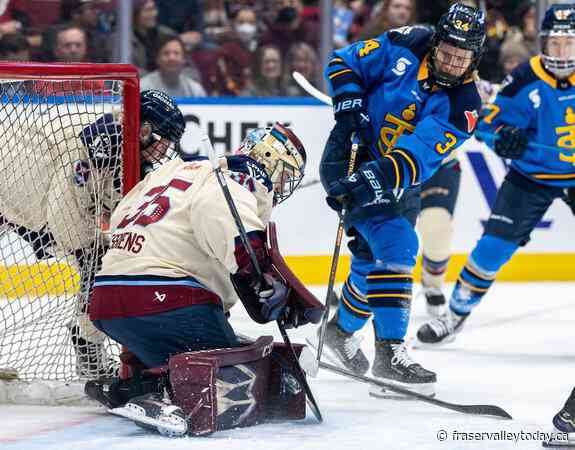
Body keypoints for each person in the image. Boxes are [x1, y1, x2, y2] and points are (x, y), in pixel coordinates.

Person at [86, 123, 318, 436]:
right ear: (270, 160)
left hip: (105, 301)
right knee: (230, 367)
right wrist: (260, 273)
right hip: (161, 298)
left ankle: (128, 382)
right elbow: (227, 225)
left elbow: (118, 217)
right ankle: (154, 394)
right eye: (285, 175)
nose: (283, 184)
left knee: (205, 333)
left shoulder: (174, 172)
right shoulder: (233, 185)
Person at [319, 3, 484, 396]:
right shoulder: (409, 41)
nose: (450, 62)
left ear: (475, 58)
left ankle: (339, 332)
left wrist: (371, 180)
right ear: (437, 40)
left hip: (396, 180)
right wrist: (350, 106)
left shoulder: (465, 108)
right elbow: (343, 62)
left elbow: (416, 156)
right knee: (399, 244)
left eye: (461, 58)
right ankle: (388, 354)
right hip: (350, 155)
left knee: (369, 261)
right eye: (445, 51)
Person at [416, 4, 575, 345]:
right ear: (542, 42)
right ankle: (454, 315)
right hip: (532, 178)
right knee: (491, 250)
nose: (561, 52)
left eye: (569, 44)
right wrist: (504, 139)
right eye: (555, 44)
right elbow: (486, 125)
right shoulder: (524, 79)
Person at [0, 89, 186, 378]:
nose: (164, 151)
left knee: (97, 261)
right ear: (144, 129)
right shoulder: (96, 145)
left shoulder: (118, 145)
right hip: (12, 191)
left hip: (13, 196)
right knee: (97, 261)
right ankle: (88, 352)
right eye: (164, 141)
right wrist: (103, 246)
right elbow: (66, 218)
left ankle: (88, 349)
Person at [140, 36, 207, 97]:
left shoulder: (195, 90)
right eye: (166, 53)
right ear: (157, 59)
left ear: (184, 59)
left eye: (176, 53)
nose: (172, 58)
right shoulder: (143, 87)